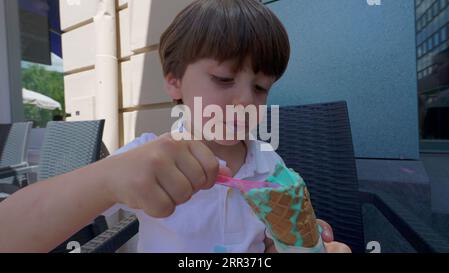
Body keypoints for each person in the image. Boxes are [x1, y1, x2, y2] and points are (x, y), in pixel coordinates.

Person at [0, 0, 350, 253]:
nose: (246, 101)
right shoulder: (146, 159)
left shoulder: (269, 164)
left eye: (260, 88)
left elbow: (273, 242)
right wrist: (106, 180)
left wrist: (306, 244)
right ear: (175, 81)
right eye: (224, 79)